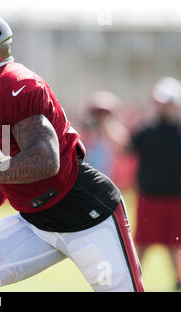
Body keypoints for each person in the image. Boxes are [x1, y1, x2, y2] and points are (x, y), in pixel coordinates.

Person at [0, 10, 145, 292]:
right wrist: (1, 188)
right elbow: (10, 149)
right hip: (34, 221)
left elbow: (45, 160)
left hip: (85, 211)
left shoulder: (15, 86)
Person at [100, 77, 181, 291]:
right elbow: (125, 146)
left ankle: (178, 282)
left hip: (176, 198)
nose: (161, 106)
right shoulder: (148, 130)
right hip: (150, 197)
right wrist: (107, 123)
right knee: (142, 243)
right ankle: (131, 280)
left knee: (176, 244)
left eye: (166, 102)